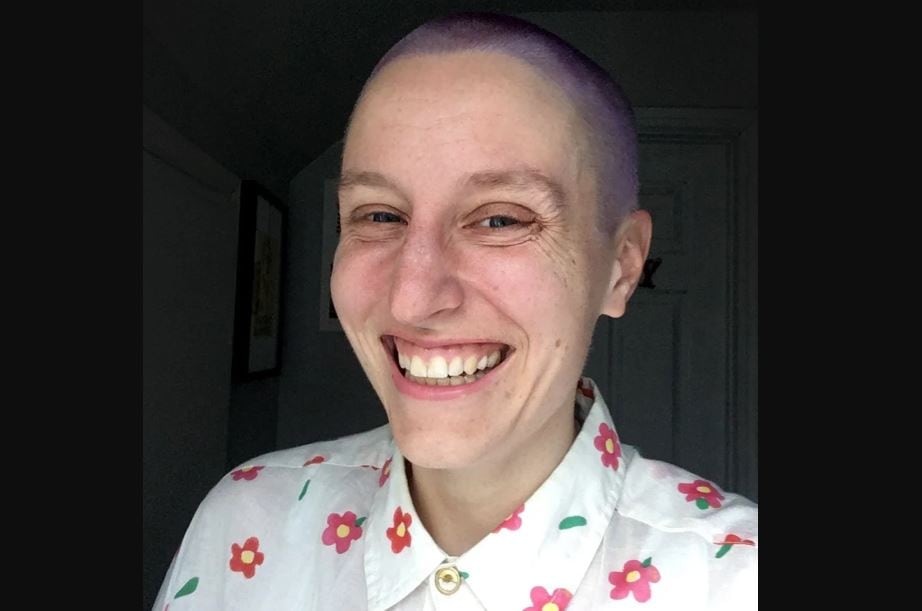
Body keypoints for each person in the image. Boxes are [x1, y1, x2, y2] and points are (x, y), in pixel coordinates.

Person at [152, 12, 757, 610]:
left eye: (500, 219)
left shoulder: (737, 579)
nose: (412, 299)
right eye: (379, 215)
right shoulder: (246, 520)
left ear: (622, 267)